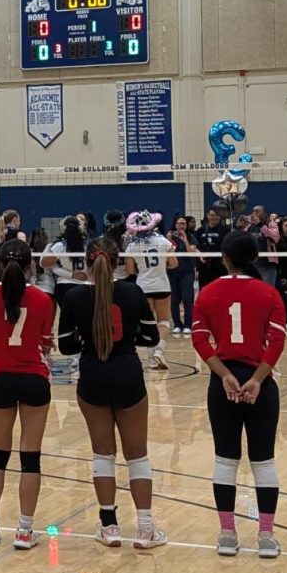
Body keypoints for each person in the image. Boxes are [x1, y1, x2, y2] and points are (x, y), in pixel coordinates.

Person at [59, 237, 166, 549]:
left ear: (87, 263)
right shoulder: (133, 292)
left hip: (93, 377)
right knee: (137, 455)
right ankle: (145, 529)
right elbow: (151, 336)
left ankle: (110, 527)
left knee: (103, 455)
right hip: (128, 376)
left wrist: (90, 342)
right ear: (118, 261)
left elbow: (66, 345)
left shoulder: (75, 296)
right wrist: (126, 337)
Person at [191, 231, 287, 558]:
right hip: (259, 385)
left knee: (225, 459)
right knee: (264, 461)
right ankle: (266, 537)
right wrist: (258, 379)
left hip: (224, 386)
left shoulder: (207, 293)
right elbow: (276, 342)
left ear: (225, 258)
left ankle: (227, 535)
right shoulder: (270, 294)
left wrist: (225, 375)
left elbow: (201, 340)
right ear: (255, 257)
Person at [0, 239, 54, 549]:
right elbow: (46, 342)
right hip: (34, 378)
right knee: (30, 457)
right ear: (29, 264)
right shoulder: (43, 299)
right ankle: (24, 531)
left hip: (2, 378)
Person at [124, 210, 178, 370]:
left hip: (143, 287)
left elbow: (130, 271)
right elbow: (174, 264)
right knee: (164, 321)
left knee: (149, 322)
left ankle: (152, 358)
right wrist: (163, 265)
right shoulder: (163, 241)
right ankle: (159, 352)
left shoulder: (132, 245)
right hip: (162, 285)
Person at [41, 216, 89, 305]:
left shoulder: (60, 246)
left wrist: (59, 269)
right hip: (84, 286)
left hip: (64, 286)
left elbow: (44, 263)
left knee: (66, 317)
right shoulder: (87, 246)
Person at [167, 216, 197, 334]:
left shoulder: (191, 237)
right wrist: (168, 240)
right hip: (172, 272)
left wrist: (185, 240)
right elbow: (166, 252)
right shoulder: (169, 237)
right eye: (179, 223)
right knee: (174, 299)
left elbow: (191, 253)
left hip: (187, 271)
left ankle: (188, 325)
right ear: (175, 225)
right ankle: (177, 324)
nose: (181, 226)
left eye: (183, 223)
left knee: (187, 298)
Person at [195, 209, 228, 287]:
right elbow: (195, 247)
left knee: (221, 289)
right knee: (204, 290)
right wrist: (199, 257)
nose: (214, 217)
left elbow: (228, 246)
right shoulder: (201, 230)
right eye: (212, 215)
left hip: (220, 266)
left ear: (220, 217)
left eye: (216, 215)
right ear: (208, 216)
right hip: (204, 266)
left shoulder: (225, 230)